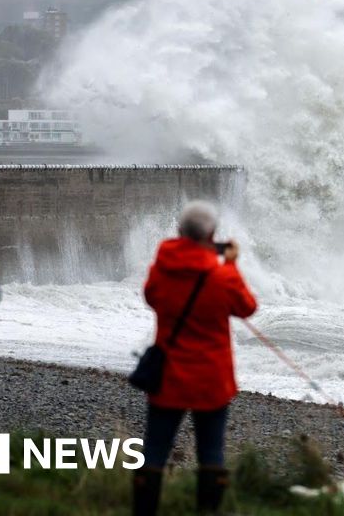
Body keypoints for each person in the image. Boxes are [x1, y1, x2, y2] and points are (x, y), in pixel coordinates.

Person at [134, 201, 258, 515]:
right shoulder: (221, 276)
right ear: (211, 235)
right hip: (210, 378)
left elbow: (151, 296)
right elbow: (246, 308)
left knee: (155, 451)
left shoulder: (162, 268)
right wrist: (230, 264)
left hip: (169, 376)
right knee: (211, 451)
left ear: (179, 232)